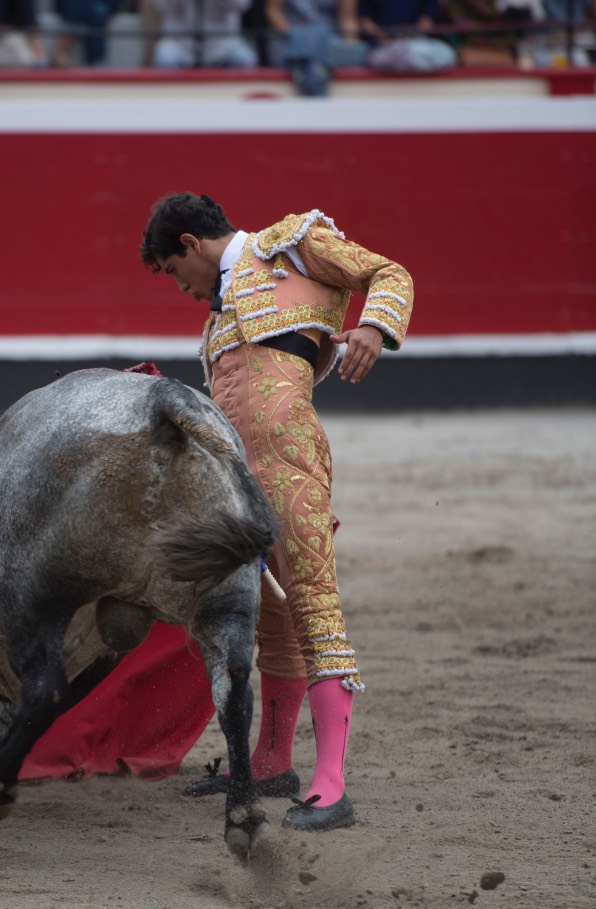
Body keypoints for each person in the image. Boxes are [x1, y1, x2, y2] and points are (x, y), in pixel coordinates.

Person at [140, 192, 414, 832]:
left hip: (289, 457)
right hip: (234, 476)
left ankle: (332, 785)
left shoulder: (290, 243)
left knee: (314, 603)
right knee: (271, 613)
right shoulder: (216, 320)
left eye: (172, 271)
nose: (180, 288)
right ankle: (270, 762)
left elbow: (388, 272)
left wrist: (373, 328)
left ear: (188, 244)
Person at [265, 0, 369, 96]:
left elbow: (347, 18)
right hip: (292, 39)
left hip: (328, 39)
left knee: (354, 54)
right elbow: (273, 11)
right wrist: (298, 37)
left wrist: (351, 43)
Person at [149, 0, 259, 68]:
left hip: (223, 44)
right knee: (166, 57)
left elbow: (241, 5)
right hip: (181, 45)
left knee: (244, 58)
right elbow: (162, 7)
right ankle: (173, 104)